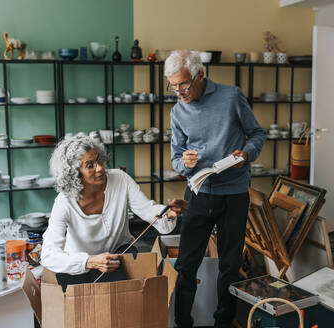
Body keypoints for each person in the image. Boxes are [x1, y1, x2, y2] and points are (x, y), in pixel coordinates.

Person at [165, 50, 266, 328]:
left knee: (230, 265)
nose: (179, 92)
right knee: (186, 265)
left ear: (200, 76)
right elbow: (175, 158)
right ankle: (183, 322)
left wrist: (246, 154)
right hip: (197, 195)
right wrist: (184, 163)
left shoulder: (231, 96)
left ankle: (224, 322)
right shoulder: (177, 112)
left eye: (183, 85)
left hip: (233, 195)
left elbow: (257, 134)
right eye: (173, 86)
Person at [41, 136, 188, 290]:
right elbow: (48, 254)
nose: (100, 168)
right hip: (82, 264)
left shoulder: (120, 179)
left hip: (120, 254)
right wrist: (89, 261)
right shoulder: (64, 202)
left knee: (125, 291)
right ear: (74, 174)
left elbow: (147, 210)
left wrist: (168, 212)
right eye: (90, 165)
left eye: (99, 160)